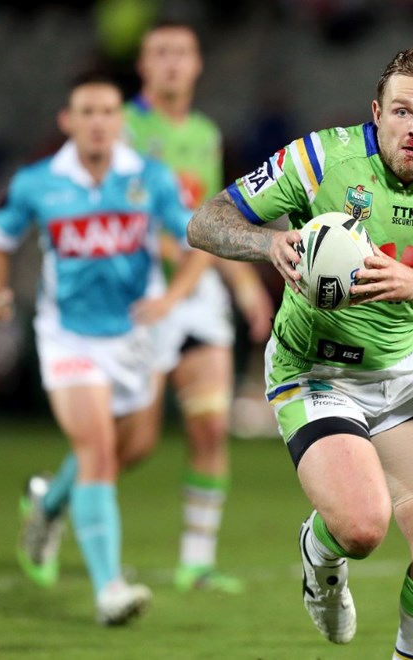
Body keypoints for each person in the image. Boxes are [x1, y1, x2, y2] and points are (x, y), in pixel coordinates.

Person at [188, 46, 413, 658]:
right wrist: (268, 245)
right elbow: (205, 222)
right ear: (377, 112)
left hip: (402, 372)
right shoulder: (319, 159)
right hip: (313, 369)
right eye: (402, 111)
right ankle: (320, 554)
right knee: (362, 527)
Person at [0, 72, 212, 625]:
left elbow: (199, 237)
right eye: (87, 111)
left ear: (120, 120)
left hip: (134, 336)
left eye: (108, 111)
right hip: (69, 336)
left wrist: (173, 296)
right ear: (68, 121)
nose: (99, 122)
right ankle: (110, 589)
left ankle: (49, 503)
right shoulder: (39, 182)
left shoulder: (149, 177)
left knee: (136, 447)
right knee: (98, 451)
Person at [123, 19, 275, 594]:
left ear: (197, 65)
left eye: (181, 53)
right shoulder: (122, 128)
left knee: (210, 427)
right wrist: (176, 257)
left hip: (195, 295)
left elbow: (205, 225)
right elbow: (124, 221)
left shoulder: (207, 135)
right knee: (132, 444)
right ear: (142, 65)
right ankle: (53, 500)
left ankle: (196, 562)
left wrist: (244, 285)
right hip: (140, 296)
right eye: (160, 52)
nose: (171, 63)